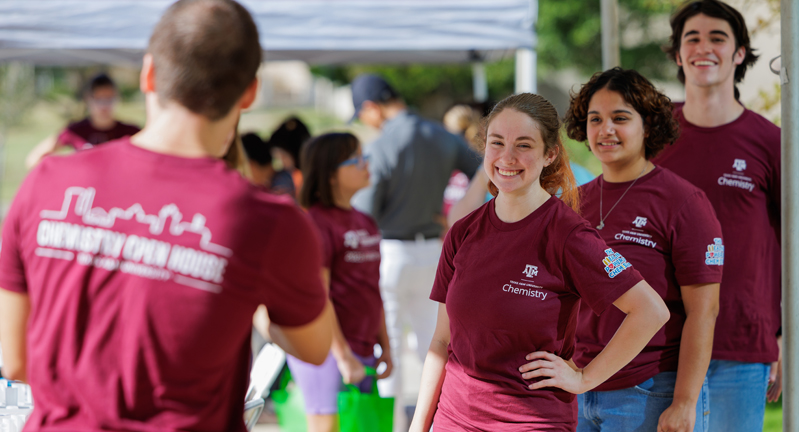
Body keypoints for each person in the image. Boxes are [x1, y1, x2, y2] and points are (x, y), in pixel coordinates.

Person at [0, 1, 334, 431]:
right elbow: (314, 346)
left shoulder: (46, 181)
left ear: (148, 73)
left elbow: (14, 358)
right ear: (249, 92)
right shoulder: (270, 220)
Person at [409, 93, 670, 432]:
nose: (507, 157)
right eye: (497, 143)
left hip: (531, 421)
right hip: (454, 419)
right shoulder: (463, 232)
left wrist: (583, 378)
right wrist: (418, 426)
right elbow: (442, 342)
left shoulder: (570, 235)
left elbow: (651, 311)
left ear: (550, 154)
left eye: (524, 145)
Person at [565, 67, 723, 432]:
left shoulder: (683, 202)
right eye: (595, 119)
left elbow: (704, 312)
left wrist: (684, 402)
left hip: (649, 391)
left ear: (648, 126)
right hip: (577, 389)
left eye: (620, 118)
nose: (606, 129)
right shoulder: (573, 203)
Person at [656, 1, 781, 429]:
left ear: (740, 53)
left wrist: (783, 336)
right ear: (677, 54)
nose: (703, 48)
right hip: (658, 343)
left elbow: (792, 246)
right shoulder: (650, 137)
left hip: (740, 342)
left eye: (717, 38)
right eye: (692, 38)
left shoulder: (771, 142)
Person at [349, 73, 481, 430]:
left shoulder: (380, 145)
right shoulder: (442, 135)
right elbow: (483, 168)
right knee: (433, 346)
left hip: (390, 252)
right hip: (434, 251)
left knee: (387, 346)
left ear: (371, 108)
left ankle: (390, 426)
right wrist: (454, 214)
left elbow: (365, 212)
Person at [287, 132, 393, 432]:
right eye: (355, 159)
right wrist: (342, 354)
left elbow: (373, 287)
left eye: (365, 156)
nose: (366, 164)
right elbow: (319, 296)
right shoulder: (316, 223)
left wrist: (385, 344)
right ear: (330, 174)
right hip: (329, 352)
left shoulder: (364, 220)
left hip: (363, 348)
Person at [25, 72, 141, 168]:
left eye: (109, 99)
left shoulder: (130, 132)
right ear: (88, 99)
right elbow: (34, 159)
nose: (104, 106)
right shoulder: (75, 131)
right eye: (99, 99)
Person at [270, 116, 311, 195]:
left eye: (284, 157)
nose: (281, 163)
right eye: (277, 158)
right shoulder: (289, 175)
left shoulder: (311, 177)